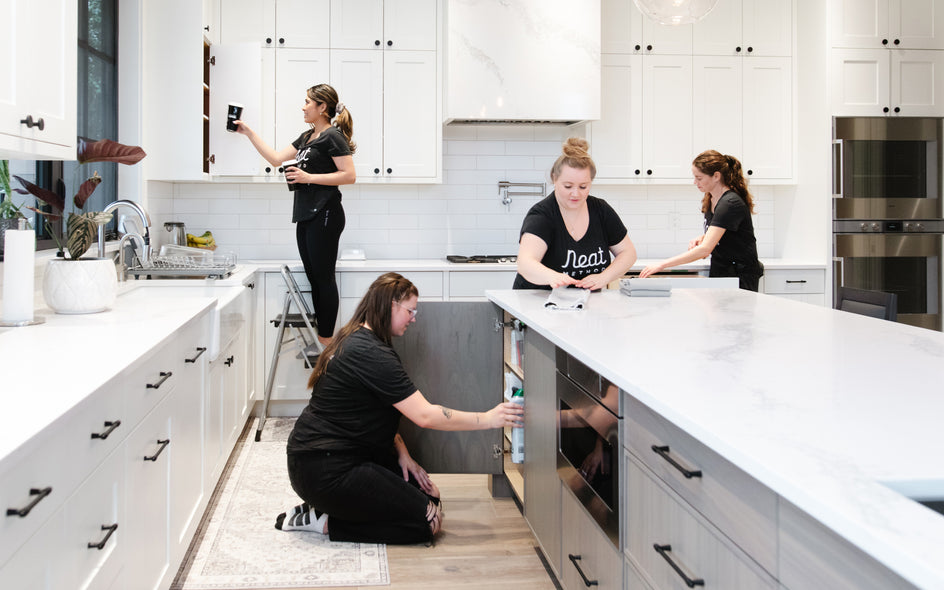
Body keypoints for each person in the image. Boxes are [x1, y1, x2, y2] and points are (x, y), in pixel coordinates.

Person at [277, 272, 524, 545]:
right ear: (391, 305)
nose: (414, 317)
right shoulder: (370, 353)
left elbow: (371, 411)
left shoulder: (357, 337)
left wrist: (403, 453)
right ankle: (325, 522)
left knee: (432, 497)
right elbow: (425, 416)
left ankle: (328, 508)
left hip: (333, 459)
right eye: (410, 310)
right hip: (325, 468)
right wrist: (488, 419)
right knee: (427, 524)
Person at [235, 83, 355, 348]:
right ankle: (323, 336)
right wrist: (249, 133)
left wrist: (308, 176)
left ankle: (326, 341)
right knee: (314, 277)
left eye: (308, 102)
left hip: (326, 212)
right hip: (306, 214)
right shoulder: (307, 136)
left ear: (322, 107)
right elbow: (277, 159)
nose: (303, 106)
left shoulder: (332, 136)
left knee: (323, 277)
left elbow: (349, 175)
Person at [513, 137, 637, 291]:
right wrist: (552, 277)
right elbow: (525, 263)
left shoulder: (600, 210)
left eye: (583, 187)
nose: (575, 193)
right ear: (554, 179)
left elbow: (628, 253)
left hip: (584, 304)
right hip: (537, 303)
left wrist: (604, 277)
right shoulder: (542, 215)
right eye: (568, 186)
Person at [639, 150, 764, 291]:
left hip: (740, 275)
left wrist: (661, 265)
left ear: (716, 176)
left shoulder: (730, 203)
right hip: (723, 270)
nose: (695, 182)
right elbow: (726, 232)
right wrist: (705, 237)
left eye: (699, 178)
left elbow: (705, 250)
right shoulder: (711, 198)